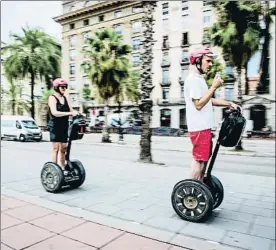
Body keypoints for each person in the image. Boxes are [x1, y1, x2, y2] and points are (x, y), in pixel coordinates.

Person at [184, 47, 240, 181]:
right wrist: (214, 87)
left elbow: (209, 100)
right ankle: (192, 190)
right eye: (208, 61)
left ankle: (200, 185)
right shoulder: (193, 80)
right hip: (199, 127)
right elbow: (198, 104)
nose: (210, 64)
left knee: (204, 157)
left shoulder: (199, 79)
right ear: (198, 61)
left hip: (204, 126)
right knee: (199, 159)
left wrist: (229, 103)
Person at [48, 78, 78, 170]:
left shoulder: (66, 97)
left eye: (65, 87)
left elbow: (71, 110)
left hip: (64, 125)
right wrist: (69, 114)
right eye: (62, 87)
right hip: (55, 126)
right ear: (56, 87)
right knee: (56, 148)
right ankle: (54, 169)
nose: (64, 88)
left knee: (64, 148)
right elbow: (55, 113)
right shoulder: (52, 98)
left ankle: (62, 168)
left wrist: (78, 113)